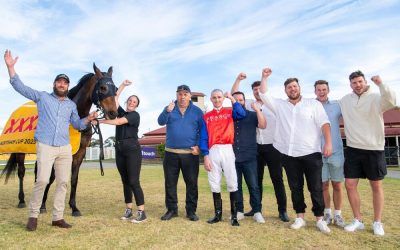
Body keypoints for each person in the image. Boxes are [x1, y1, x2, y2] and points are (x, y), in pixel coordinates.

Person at [4, 50, 98, 231]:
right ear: (54, 84)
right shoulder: (43, 97)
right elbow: (20, 87)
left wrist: (88, 118)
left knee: (63, 182)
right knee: (42, 180)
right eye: (59, 82)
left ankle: (58, 217)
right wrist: (11, 68)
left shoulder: (71, 105)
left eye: (65, 83)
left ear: (68, 86)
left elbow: (77, 125)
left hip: (64, 148)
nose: (62, 85)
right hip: (46, 145)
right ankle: (33, 215)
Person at [259, 67, 333, 233]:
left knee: (315, 187)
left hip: (311, 153)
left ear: (299, 88)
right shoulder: (279, 105)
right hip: (289, 154)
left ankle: (320, 219)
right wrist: (264, 77)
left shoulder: (313, 104)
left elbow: (324, 123)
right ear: (285, 90)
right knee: (295, 187)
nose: (292, 89)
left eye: (295, 86)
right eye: (289, 87)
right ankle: (300, 217)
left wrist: (328, 143)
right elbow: (264, 94)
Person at [340, 71, 397, 236]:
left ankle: (377, 222)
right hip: (353, 148)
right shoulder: (345, 100)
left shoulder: (376, 98)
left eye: (360, 81)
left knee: (376, 185)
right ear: (350, 84)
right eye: (354, 83)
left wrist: (381, 84)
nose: (357, 85)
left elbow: (392, 101)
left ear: (365, 82)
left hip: (374, 148)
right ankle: (358, 220)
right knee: (349, 184)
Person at [231, 73, 289, 222]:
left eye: (259, 89)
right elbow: (234, 96)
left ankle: (282, 210)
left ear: (264, 89)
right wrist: (238, 80)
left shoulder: (274, 104)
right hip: (256, 147)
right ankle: (257, 209)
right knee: (256, 180)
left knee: (277, 179)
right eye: (255, 90)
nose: (258, 92)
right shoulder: (249, 103)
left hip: (273, 146)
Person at [96, 80, 146, 223]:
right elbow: (115, 98)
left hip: (132, 150)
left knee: (133, 181)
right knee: (125, 181)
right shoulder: (122, 112)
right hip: (120, 149)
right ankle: (129, 210)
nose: (132, 102)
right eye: (130, 100)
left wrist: (100, 121)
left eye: (134, 101)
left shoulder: (134, 116)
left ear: (136, 105)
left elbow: (118, 122)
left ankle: (142, 212)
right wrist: (123, 85)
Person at [199, 89, 246, 226]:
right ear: (211, 99)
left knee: (232, 181)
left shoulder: (230, 111)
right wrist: (205, 156)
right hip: (213, 150)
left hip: (227, 148)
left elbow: (242, 114)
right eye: (214, 97)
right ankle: (217, 214)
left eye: (219, 97)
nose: (217, 99)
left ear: (222, 98)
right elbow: (203, 137)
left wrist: (232, 99)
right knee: (214, 181)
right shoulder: (206, 116)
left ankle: (234, 216)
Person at [157, 85, 204, 221]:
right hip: (171, 153)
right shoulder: (170, 108)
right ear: (176, 95)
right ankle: (172, 210)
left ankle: (191, 211)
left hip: (190, 154)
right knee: (170, 183)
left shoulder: (197, 111)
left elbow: (203, 131)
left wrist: (199, 147)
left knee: (192, 183)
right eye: (180, 94)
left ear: (190, 96)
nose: (182, 97)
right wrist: (167, 110)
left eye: (185, 94)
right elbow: (160, 121)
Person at [231, 90, 267, 223]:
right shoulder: (230, 116)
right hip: (233, 157)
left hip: (250, 156)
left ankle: (257, 211)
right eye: (236, 100)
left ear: (244, 101)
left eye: (241, 100)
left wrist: (258, 110)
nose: (239, 102)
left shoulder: (252, 115)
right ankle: (239, 210)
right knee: (236, 186)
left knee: (253, 185)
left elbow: (263, 125)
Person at [314, 80, 346, 228]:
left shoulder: (337, 106)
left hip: (336, 152)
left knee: (337, 185)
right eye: (319, 90)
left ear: (328, 90)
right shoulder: (311, 106)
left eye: (324, 89)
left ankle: (338, 214)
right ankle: (327, 213)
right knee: (323, 185)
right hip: (317, 152)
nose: (321, 92)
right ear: (315, 91)